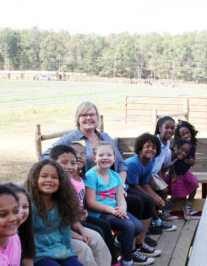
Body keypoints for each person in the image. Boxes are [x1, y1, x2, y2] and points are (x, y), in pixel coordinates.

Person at [44, 100, 158, 256]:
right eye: (84, 115)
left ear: (97, 117)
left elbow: (121, 165)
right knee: (137, 203)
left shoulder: (104, 136)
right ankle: (127, 247)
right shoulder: (71, 138)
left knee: (144, 201)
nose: (88, 118)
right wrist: (63, 167)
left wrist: (121, 187)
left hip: (113, 184)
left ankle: (137, 243)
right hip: (92, 190)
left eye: (92, 114)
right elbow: (47, 155)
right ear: (78, 118)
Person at [25, 159, 106, 266]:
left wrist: (70, 254)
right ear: (34, 179)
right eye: (44, 176)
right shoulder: (30, 204)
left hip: (59, 249)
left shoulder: (61, 201)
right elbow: (25, 236)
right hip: (38, 253)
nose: (49, 180)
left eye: (54, 177)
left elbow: (64, 230)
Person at [50, 144, 128, 266]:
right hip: (57, 236)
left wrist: (82, 228)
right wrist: (77, 234)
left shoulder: (66, 184)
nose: (70, 166)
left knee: (97, 238)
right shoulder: (53, 185)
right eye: (64, 162)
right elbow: (54, 221)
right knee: (85, 249)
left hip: (70, 226)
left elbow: (70, 214)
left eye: (73, 163)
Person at [85, 142, 144, 266]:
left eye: (109, 155)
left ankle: (121, 239)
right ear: (94, 158)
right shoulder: (91, 176)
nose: (105, 158)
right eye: (101, 155)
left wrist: (122, 208)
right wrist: (112, 210)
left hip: (115, 210)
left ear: (114, 158)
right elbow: (90, 202)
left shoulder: (116, 176)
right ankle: (127, 263)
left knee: (138, 227)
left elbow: (120, 197)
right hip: (100, 212)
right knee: (128, 226)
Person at [126, 133, 176, 238]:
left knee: (156, 195)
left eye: (154, 148)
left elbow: (145, 183)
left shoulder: (149, 163)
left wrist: (155, 196)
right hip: (125, 189)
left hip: (135, 186)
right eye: (147, 147)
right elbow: (133, 185)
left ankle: (150, 227)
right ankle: (143, 235)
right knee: (146, 200)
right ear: (140, 149)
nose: (151, 149)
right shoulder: (133, 163)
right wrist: (152, 197)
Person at [166, 120, 199, 219]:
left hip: (185, 173)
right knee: (177, 193)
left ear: (191, 133)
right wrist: (174, 174)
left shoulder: (192, 147)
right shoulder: (177, 148)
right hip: (176, 174)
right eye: (183, 134)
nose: (186, 135)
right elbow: (171, 162)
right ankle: (166, 209)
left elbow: (193, 161)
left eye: (187, 133)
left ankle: (188, 205)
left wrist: (191, 162)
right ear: (179, 137)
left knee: (194, 184)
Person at [151, 116, 175, 218]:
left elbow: (163, 165)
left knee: (164, 190)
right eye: (167, 127)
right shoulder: (154, 142)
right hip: (146, 173)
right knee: (157, 192)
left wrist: (160, 178)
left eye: (172, 128)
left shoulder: (167, 144)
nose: (170, 130)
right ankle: (154, 216)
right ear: (160, 128)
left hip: (155, 173)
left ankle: (156, 213)